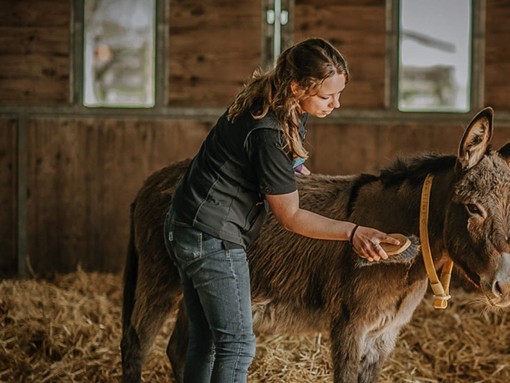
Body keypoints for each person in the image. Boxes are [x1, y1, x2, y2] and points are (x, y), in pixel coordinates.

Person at [164, 37, 400, 383]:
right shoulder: (268, 130)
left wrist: (289, 170)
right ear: (296, 86)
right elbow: (290, 216)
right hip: (212, 236)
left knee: (208, 340)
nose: (336, 103)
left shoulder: (271, 100)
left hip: (184, 224)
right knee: (238, 345)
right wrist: (353, 232)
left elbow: (265, 161)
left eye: (339, 93)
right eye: (326, 95)